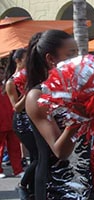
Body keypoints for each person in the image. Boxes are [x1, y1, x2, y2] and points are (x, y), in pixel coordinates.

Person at [25, 30, 94, 199]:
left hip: (84, 183)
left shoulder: (76, 90)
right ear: (51, 59)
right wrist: (78, 117)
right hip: (56, 187)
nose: (78, 60)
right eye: (70, 54)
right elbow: (60, 152)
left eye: (77, 53)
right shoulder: (37, 96)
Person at [4, 48, 39, 199]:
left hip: (35, 120)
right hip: (23, 123)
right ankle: (22, 185)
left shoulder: (31, 77)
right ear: (18, 61)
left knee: (36, 156)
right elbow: (16, 107)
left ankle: (32, 190)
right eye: (26, 58)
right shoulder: (11, 82)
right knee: (38, 157)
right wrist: (28, 93)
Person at [0, 66, 23, 180]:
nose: (1, 75)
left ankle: (18, 169)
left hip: (11, 121)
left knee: (15, 148)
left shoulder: (9, 85)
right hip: (1, 122)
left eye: (2, 73)